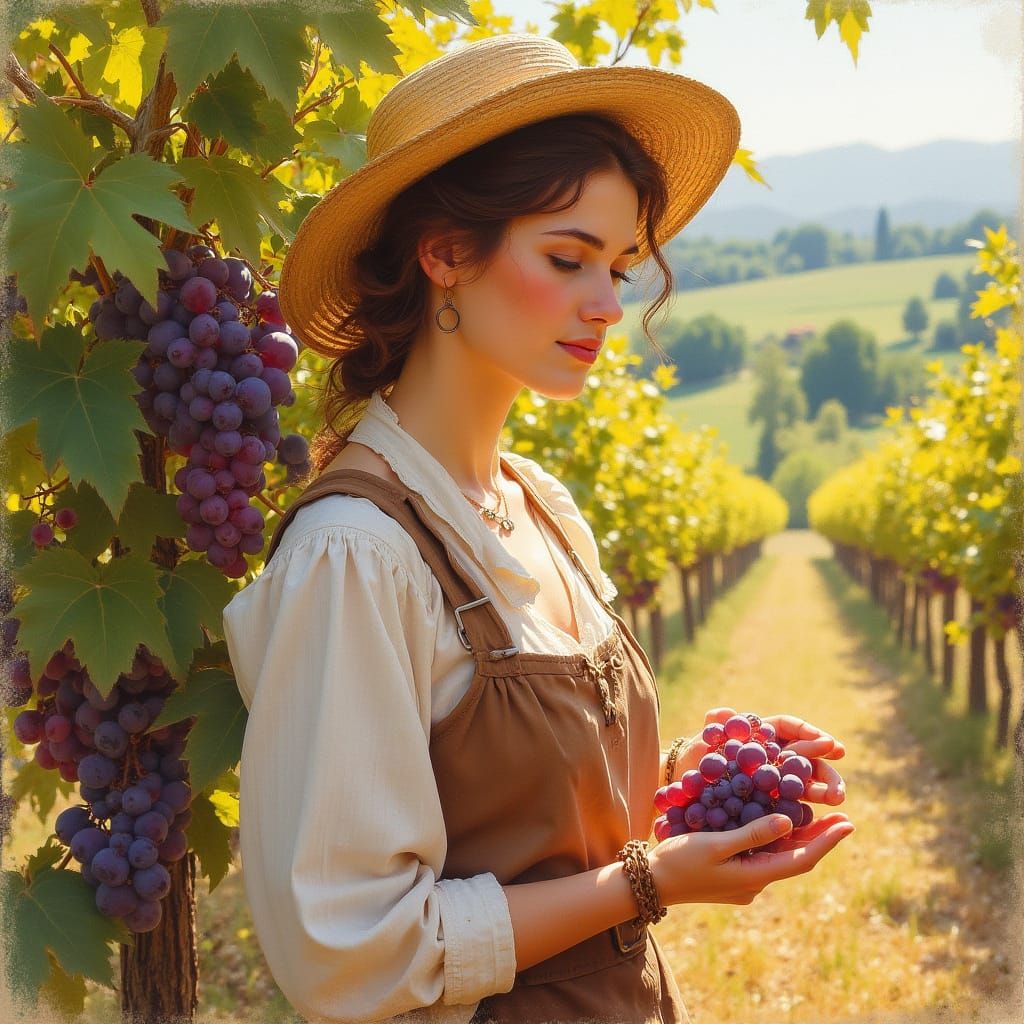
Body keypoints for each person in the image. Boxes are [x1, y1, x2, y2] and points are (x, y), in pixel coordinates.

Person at [222, 33, 853, 1024]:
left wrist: (701, 784)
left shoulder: (539, 506)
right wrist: (653, 881)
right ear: (442, 254)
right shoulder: (358, 553)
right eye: (566, 259)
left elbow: (526, 820)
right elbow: (347, 957)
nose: (606, 306)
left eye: (619, 265)